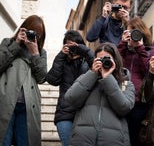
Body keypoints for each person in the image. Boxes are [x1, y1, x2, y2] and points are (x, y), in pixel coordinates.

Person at [64, 42, 135, 146]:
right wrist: (92, 74)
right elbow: (71, 99)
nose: (103, 62)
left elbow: (123, 108)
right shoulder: (86, 78)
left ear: (115, 61)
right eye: (99, 60)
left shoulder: (126, 84)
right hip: (82, 141)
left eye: (107, 59)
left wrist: (108, 78)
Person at [0, 15, 47, 146]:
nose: (34, 37)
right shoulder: (8, 43)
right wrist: (16, 44)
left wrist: (35, 54)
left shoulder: (41, 53)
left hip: (27, 107)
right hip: (5, 103)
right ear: (23, 29)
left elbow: (42, 77)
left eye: (38, 35)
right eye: (31, 32)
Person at [45, 30, 94, 146]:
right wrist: (61, 55)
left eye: (75, 45)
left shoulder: (88, 62)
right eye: (69, 45)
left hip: (85, 115)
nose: (73, 48)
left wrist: (85, 51)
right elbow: (52, 80)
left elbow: (100, 72)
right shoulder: (63, 62)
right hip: (65, 115)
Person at [117, 17, 154, 146]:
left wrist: (140, 48)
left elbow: (148, 72)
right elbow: (115, 66)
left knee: (136, 138)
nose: (132, 35)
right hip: (121, 99)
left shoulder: (150, 51)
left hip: (140, 102)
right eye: (129, 32)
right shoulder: (124, 51)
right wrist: (122, 44)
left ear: (142, 33)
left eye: (135, 31)